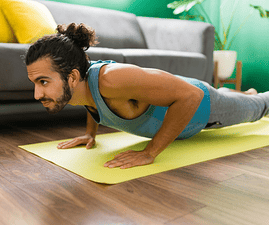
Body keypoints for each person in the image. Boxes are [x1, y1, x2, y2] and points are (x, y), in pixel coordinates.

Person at [25, 23, 269, 169]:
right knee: (242, 97)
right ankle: (242, 92)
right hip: (186, 94)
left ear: (72, 77)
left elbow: (191, 95)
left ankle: (250, 97)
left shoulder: (111, 79)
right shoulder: (79, 87)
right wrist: (90, 133)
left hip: (203, 107)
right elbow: (91, 100)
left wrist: (149, 153)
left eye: (43, 82)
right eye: (35, 83)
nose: (37, 94)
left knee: (259, 107)